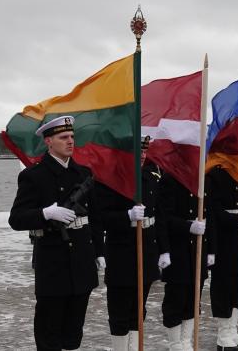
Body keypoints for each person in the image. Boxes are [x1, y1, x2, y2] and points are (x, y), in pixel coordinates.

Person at [8, 116, 104, 351]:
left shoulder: (83, 174)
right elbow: (16, 219)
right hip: (53, 264)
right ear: (49, 141)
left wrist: (100, 252)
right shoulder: (34, 175)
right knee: (49, 332)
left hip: (82, 260)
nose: (70, 141)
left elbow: (96, 218)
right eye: (64, 138)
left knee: (73, 333)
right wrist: (45, 214)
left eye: (72, 137)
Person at [94, 136, 167, 350]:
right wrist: (126, 215)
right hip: (121, 251)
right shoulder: (110, 179)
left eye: (145, 151)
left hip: (147, 248)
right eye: (138, 152)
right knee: (119, 308)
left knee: (139, 306)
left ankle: (135, 347)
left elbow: (159, 215)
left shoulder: (150, 176)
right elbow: (101, 218)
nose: (143, 155)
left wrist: (164, 250)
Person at [159, 163, 211, 350]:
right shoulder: (170, 179)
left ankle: (186, 341)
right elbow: (164, 217)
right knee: (176, 299)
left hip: (197, 249)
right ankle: (174, 344)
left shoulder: (201, 181)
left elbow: (208, 215)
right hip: (178, 250)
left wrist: (210, 249)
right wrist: (187, 226)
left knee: (193, 298)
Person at [205, 161, 238, 351]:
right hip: (224, 242)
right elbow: (211, 211)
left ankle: (232, 331)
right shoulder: (214, 176)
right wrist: (236, 218)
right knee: (223, 288)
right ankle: (223, 335)